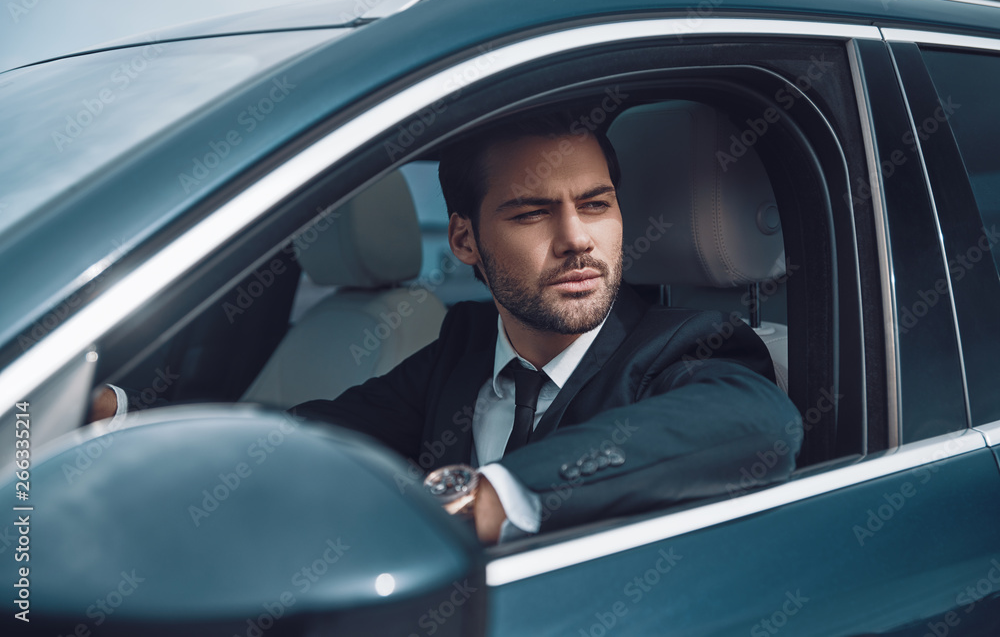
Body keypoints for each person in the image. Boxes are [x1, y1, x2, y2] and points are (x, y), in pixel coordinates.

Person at [92, 112, 802, 544]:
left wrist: (496, 495)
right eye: (531, 214)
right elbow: (308, 437)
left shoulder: (684, 346)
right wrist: (123, 421)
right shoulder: (462, 348)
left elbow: (756, 422)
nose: (577, 238)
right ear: (465, 241)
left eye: (596, 205)